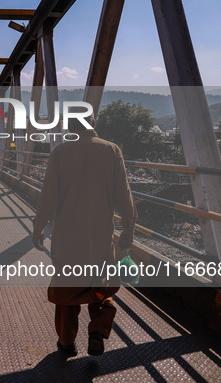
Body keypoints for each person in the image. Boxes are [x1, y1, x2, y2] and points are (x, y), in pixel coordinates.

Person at [32, 120, 137, 357]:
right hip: (100, 234)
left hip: (67, 236)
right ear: (94, 123)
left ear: (69, 127)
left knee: (67, 293)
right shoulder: (111, 150)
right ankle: (97, 331)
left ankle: (67, 343)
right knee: (102, 285)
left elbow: (48, 195)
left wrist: (39, 226)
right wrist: (129, 227)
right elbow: (124, 194)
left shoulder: (60, 152)